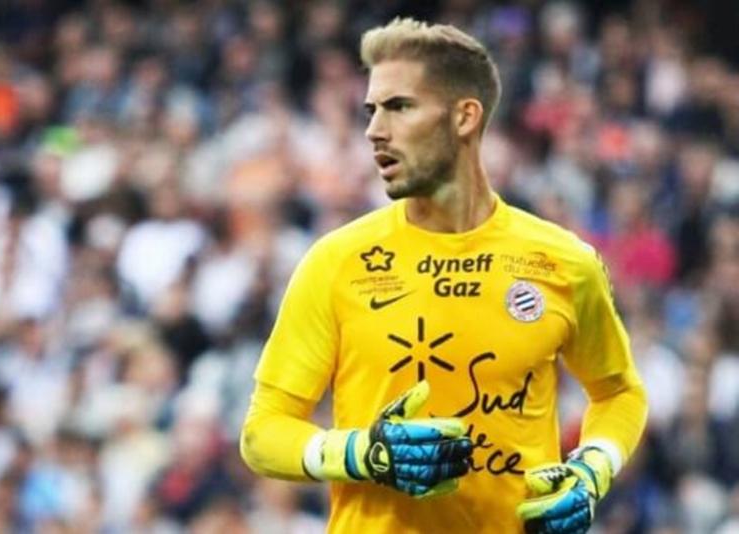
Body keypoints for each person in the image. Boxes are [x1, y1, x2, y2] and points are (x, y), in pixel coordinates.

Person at [240, 17, 647, 533]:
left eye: (399, 107)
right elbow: (262, 434)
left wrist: (591, 471)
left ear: (464, 117)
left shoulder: (564, 263)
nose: (374, 130)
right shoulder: (337, 261)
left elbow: (619, 394)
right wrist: (361, 453)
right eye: (371, 110)